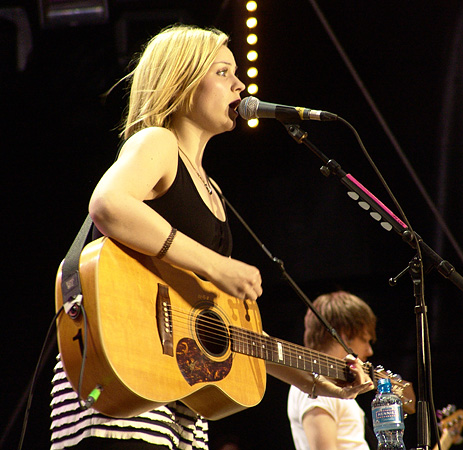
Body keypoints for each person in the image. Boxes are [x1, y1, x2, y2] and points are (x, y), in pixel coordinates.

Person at [49, 24, 373, 450]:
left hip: (178, 411)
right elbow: (109, 205)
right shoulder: (158, 143)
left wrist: (317, 380)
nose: (240, 84)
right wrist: (216, 264)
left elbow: (227, 334)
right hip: (122, 394)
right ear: (181, 81)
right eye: (223, 72)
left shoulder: (215, 192)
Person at [287, 291, 416, 450]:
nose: (369, 351)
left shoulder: (332, 382)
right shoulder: (315, 382)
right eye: (364, 340)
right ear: (346, 335)